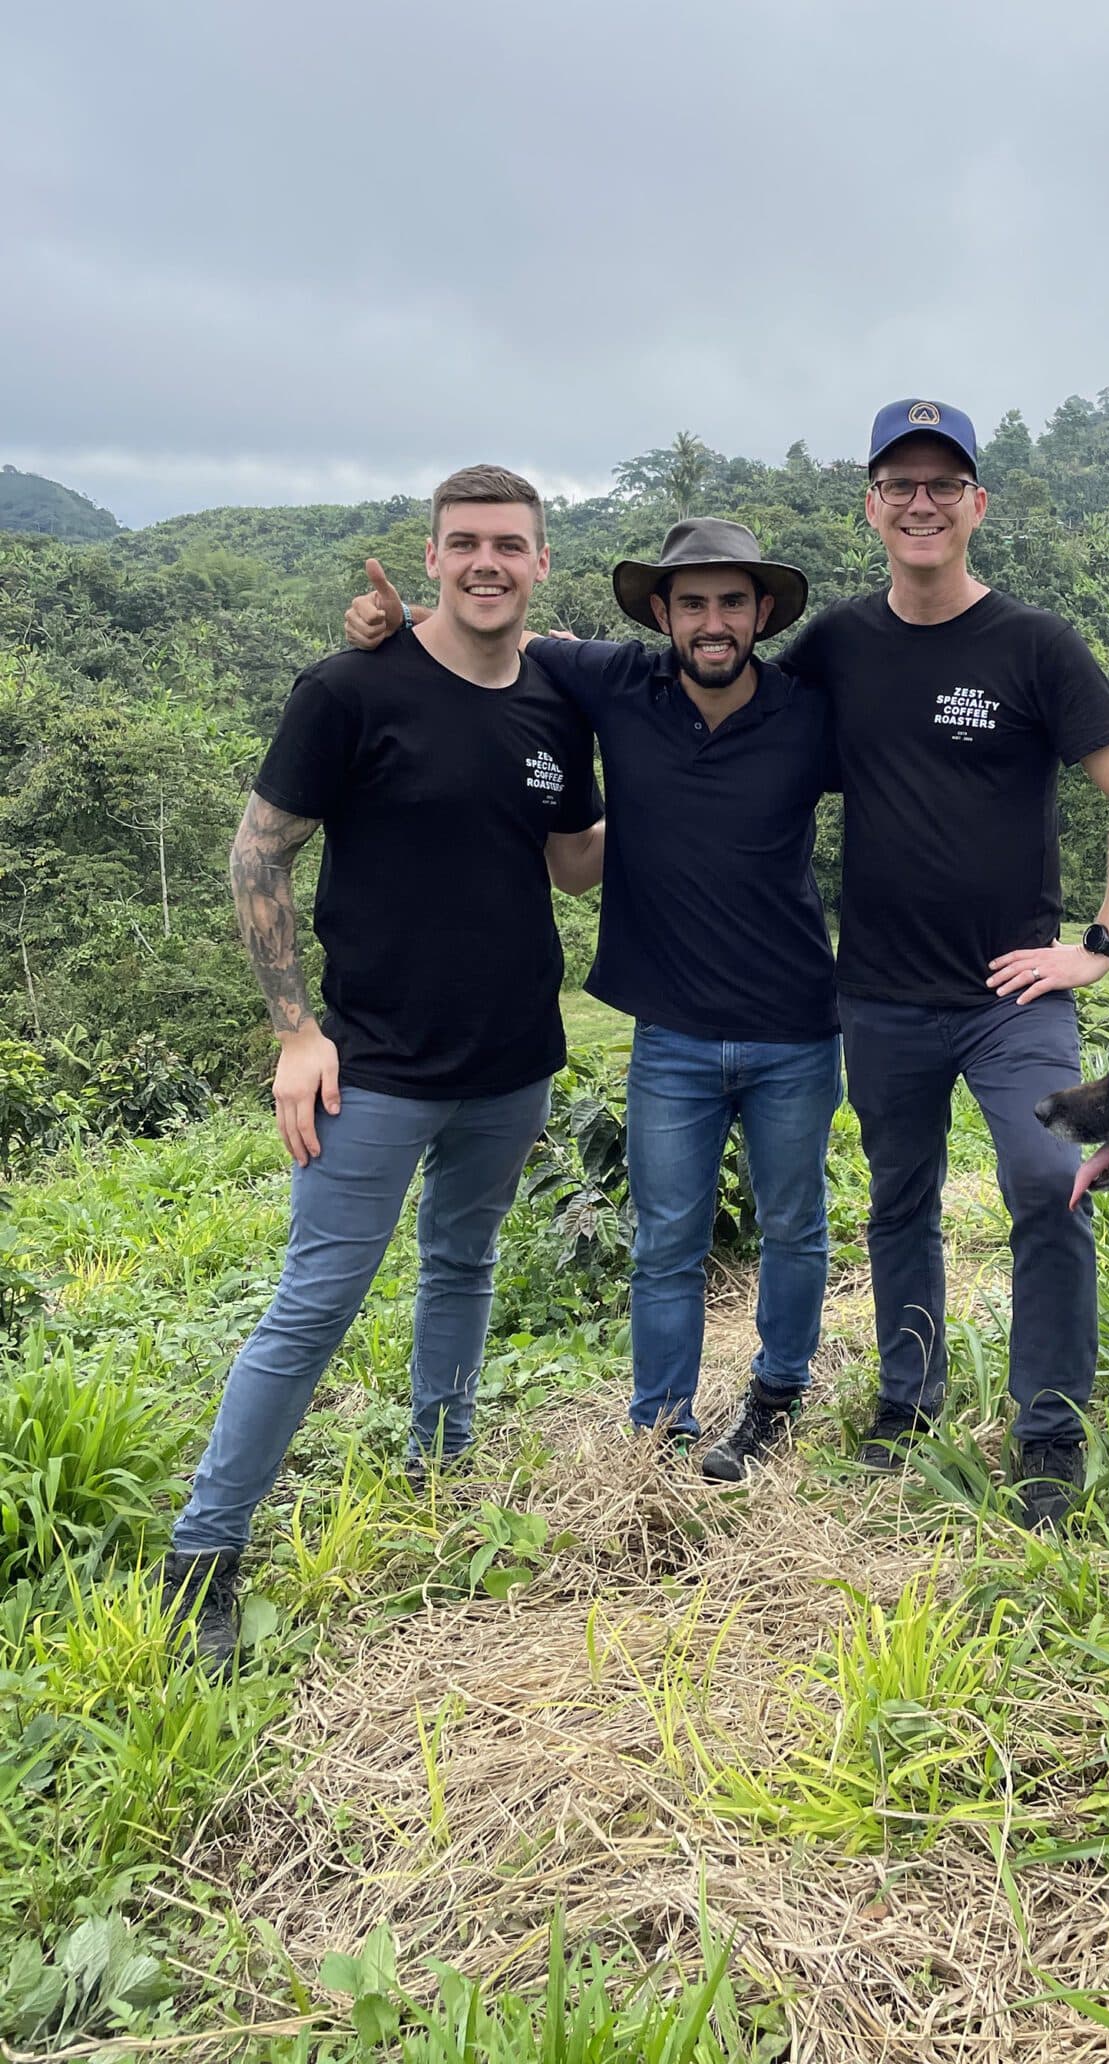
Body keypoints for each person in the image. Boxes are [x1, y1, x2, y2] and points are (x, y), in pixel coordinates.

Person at [160, 467, 603, 1669]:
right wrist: (295, 1029)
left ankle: (443, 1473)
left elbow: (571, 866)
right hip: (374, 1068)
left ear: (541, 561)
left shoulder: (558, 706)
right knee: (313, 1304)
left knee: (465, 1262)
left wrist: (680, 792)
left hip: (512, 1059)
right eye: (466, 543)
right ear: (433, 554)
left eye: (510, 544)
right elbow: (258, 860)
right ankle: (203, 1552)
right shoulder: (351, 687)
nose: (487, 564)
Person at [345, 520, 840, 1484]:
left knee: (798, 1224)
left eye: (732, 601)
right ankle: (662, 1429)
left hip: (795, 1027)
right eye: (691, 602)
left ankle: (779, 1393)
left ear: (763, 613)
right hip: (670, 1035)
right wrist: (396, 616)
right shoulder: (615, 682)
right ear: (660, 613)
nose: (712, 621)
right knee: (666, 1243)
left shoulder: (809, 713)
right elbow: (497, 634)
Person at [780, 398, 1109, 1528]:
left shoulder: (1033, 645)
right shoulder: (841, 645)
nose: (920, 502)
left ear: (976, 507)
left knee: (1051, 1185)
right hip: (881, 997)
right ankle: (907, 1405)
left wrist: (1097, 948)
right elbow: (726, 712)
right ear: (870, 506)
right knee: (897, 1200)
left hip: (1012, 1000)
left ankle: (1048, 1433)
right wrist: (558, 662)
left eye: (941, 484)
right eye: (898, 483)